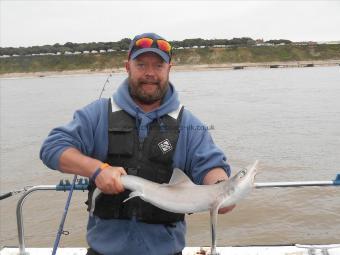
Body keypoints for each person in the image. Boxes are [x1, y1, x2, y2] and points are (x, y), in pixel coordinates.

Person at [40, 32, 235, 255]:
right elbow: (52, 148)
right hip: (104, 251)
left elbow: (210, 166)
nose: (150, 73)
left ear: (169, 69)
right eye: (141, 64)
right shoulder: (98, 114)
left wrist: (224, 189)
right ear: (127, 67)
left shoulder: (189, 124)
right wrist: (97, 170)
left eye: (158, 65)